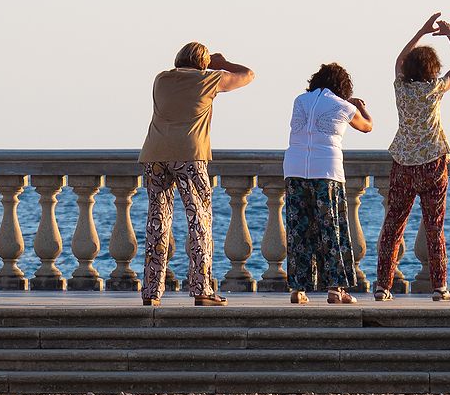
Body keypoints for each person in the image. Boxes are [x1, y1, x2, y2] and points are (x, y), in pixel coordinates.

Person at [138, 42, 254, 306]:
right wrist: (222, 63)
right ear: (203, 63)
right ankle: (202, 290)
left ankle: (151, 292)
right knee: (199, 221)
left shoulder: (161, 79)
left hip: (155, 154)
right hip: (190, 155)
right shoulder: (208, 79)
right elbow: (248, 74)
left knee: (157, 222)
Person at [375, 13, 450, 302]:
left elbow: (398, 61)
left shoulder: (401, 89)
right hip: (432, 164)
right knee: (434, 226)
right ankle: (440, 287)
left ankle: (382, 287)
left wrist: (422, 31)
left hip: (403, 162)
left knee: (393, 226)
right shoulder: (434, 89)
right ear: (431, 69)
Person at [282, 63, 373, 305]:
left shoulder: (299, 100)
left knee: (298, 230)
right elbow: (367, 126)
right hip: (327, 171)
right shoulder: (344, 106)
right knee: (331, 229)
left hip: (294, 168)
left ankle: (298, 290)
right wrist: (361, 107)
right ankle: (335, 289)